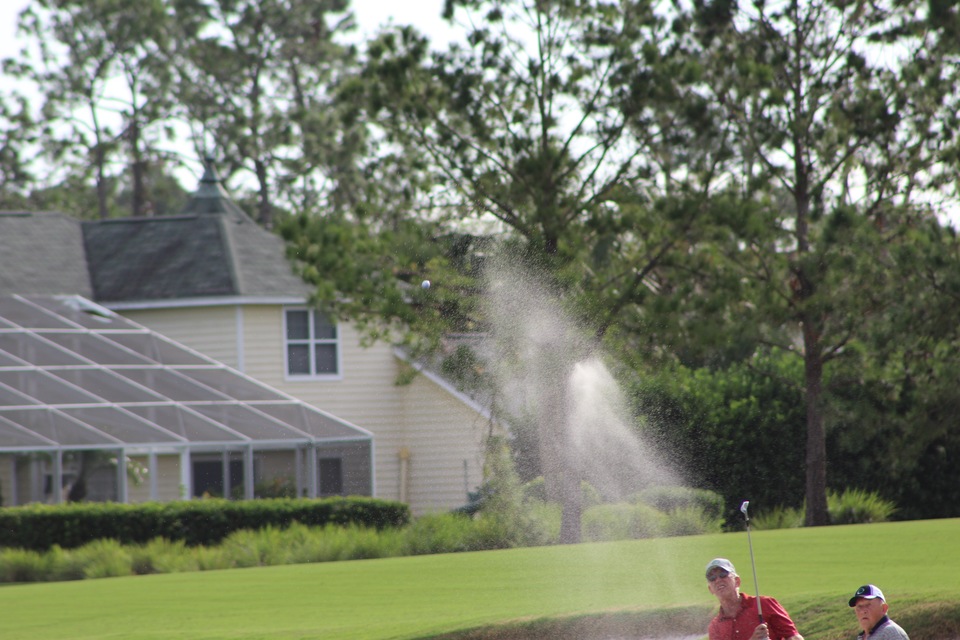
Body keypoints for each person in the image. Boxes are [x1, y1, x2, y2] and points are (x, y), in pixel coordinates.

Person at [705, 557, 804, 640]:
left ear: (737, 581)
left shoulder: (763, 604)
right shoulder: (715, 627)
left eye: (723, 574)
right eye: (712, 578)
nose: (718, 580)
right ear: (710, 589)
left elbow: (793, 636)